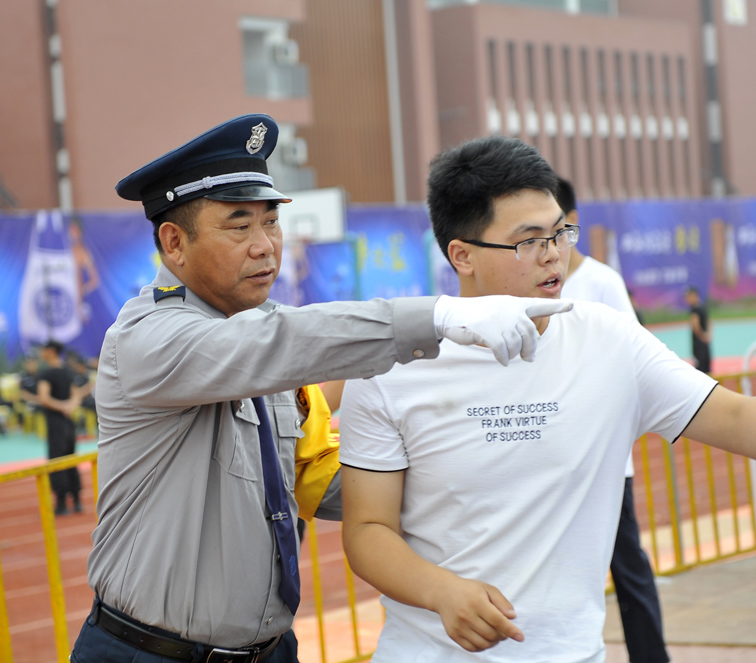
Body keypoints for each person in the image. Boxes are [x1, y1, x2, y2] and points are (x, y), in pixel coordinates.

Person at [338, 136, 756, 662]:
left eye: (561, 233)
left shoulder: (607, 338)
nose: (554, 256)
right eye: (529, 241)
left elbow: (737, 416)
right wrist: (439, 591)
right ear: (462, 255)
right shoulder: (392, 367)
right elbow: (367, 531)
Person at [69, 114, 572, 663]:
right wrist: (437, 316)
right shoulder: (148, 339)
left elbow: (313, 481)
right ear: (174, 242)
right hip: (149, 653)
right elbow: (274, 344)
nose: (265, 246)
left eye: (271, 223)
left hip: (271, 650)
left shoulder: (264, 338)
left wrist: (476, 471)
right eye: (239, 227)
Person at [557, 177, 669, 663]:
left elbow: (632, 361)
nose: (547, 246)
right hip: (551, 459)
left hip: (603, 461)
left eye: (555, 229)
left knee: (627, 567)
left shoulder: (601, 282)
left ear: (572, 223)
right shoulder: (522, 287)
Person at [36, 340, 84, 514]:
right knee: (71, 458)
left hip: (55, 422)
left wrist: (61, 406)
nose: (41, 352)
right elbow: (76, 395)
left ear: (51, 351)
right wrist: (69, 406)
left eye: (43, 349)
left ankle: (62, 503)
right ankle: (77, 501)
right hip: (69, 421)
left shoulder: (46, 373)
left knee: (56, 460)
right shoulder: (67, 371)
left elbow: (44, 398)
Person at [685, 286, 711, 374]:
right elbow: (709, 322)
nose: (686, 299)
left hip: (699, 345)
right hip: (705, 343)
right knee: (707, 369)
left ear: (693, 295)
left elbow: (695, 326)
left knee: (700, 370)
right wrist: (708, 335)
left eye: (688, 296)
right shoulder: (703, 306)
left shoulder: (695, 310)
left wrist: (702, 337)